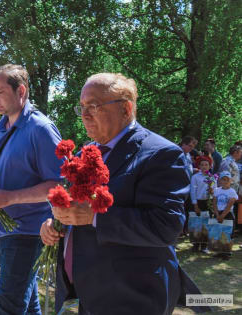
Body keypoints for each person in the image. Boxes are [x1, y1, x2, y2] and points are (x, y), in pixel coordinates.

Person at [40, 73, 208, 314]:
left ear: (126, 109)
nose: (85, 115)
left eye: (94, 106)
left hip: (131, 295)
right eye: (82, 107)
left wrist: (94, 217)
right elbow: (76, 210)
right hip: (86, 291)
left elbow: (166, 226)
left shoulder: (161, 154)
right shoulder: (84, 154)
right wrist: (55, 223)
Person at [0, 64, 63, 315]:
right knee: (28, 301)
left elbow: (59, 185)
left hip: (27, 232)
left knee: (8, 305)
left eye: (0, 91)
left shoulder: (41, 129)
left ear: (21, 90)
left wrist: (10, 198)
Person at [189, 156, 215, 252]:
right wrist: (195, 205)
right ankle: (195, 244)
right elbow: (193, 191)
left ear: (209, 166)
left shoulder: (212, 177)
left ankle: (204, 245)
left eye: (206, 165)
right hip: (197, 202)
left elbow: (215, 192)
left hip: (208, 202)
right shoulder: (195, 177)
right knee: (196, 224)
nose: (204, 166)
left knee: (206, 224)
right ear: (199, 166)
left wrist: (212, 191)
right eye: (202, 165)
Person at [212, 171, 238, 259]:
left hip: (228, 214)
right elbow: (214, 202)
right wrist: (216, 214)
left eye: (227, 180)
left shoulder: (232, 191)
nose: (225, 181)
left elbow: (230, 204)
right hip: (218, 213)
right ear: (220, 181)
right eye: (223, 179)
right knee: (219, 232)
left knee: (227, 233)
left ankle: (227, 252)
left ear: (231, 181)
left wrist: (222, 215)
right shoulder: (217, 190)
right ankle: (219, 251)